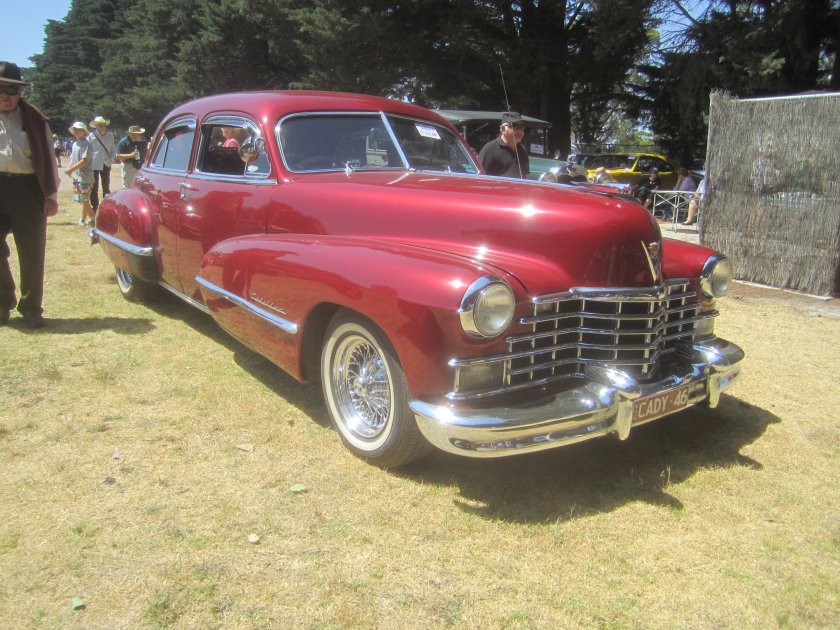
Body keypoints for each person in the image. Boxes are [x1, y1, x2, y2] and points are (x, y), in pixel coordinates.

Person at [0, 61, 59, 329]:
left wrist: (51, 195)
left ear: (21, 92)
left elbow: (48, 157)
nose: (6, 95)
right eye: (1, 89)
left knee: (32, 252)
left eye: (12, 90)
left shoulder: (35, 119)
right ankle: (2, 303)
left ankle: (32, 308)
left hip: (28, 190)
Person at [478, 111, 529, 178]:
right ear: (503, 129)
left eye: (522, 126)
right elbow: (480, 177)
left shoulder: (522, 150)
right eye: (514, 126)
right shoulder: (490, 149)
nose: (519, 130)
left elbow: (525, 177)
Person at [65, 121, 94, 226]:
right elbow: (73, 158)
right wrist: (69, 168)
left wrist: (71, 169)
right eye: (75, 130)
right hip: (78, 176)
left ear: (84, 132)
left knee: (84, 198)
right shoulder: (74, 144)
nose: (76, 132)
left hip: (86, 176)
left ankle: (93, 218)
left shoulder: (87, 145)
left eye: (79, 130)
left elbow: (85, 160)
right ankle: (82, 219)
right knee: (82, 198)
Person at [87, 115, 115, 215]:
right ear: (96, 126)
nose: (102, 127)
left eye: (104, 125)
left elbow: (113, 149)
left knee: (106, 186)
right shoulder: (91, 136)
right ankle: (95, 207)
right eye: (100, 125)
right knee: (94, 187)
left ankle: (106, 207)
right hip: (94, 163)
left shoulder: (110, 135)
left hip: (106, 163)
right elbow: (88, 150)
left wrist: (111, 159)